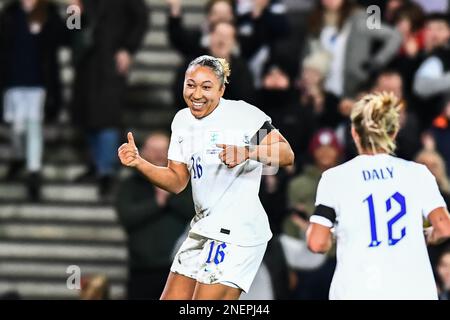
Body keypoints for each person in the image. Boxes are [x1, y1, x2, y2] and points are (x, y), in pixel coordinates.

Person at [118, 55, 295, 300]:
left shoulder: (245, 115)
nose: (197, 94)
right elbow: (177, 181)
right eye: (191, 85)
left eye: (206, 87)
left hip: (238, 230)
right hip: (204, 226)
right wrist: (140, 163)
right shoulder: (181, 121)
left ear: (222, 89)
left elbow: (286, 154)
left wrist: (248, 151)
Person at [306, 92, 450, 299]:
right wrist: (426, 236)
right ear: (394, 132)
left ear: (355, 132)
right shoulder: (418, 173)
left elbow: (316, 243)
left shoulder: (335, 178)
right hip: (414, 292)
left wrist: (335, 237)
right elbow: (444, 227)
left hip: (358, 291)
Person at [115, 132, 193, 299]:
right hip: (141, 268)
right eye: (153, 150)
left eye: (163, 150)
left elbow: (196, 213)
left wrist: (170, 193)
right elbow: (127, 217)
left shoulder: (188, 183)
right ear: (142, 152)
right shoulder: (130, 185)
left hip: (179, 269)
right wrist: (157, 203)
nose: (158, 155)